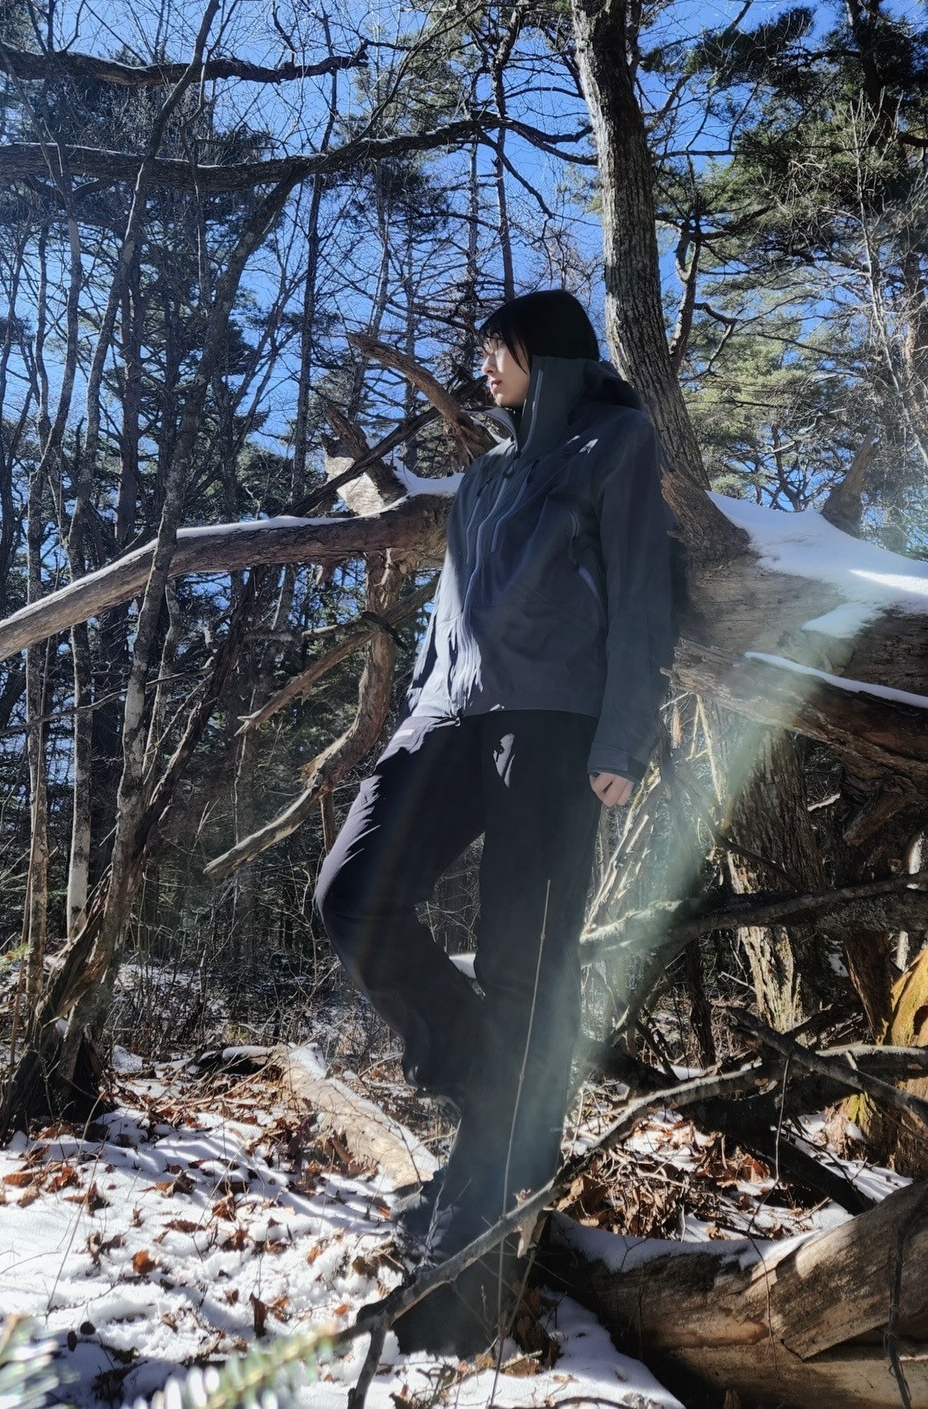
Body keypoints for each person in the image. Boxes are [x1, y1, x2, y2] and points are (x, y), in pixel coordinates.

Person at [313, 288, 675, 1348]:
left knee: (523, 962)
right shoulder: (483, 475)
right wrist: (415, 709)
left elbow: (643, 594)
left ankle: (464, 1273)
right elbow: (448, 614)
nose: (483, 368)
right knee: (350, 894)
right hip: (446, 718)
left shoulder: (614, 444)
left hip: (554, 723)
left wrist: (623, 740)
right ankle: (492, 1092)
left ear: (544, 354)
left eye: (497, 350)